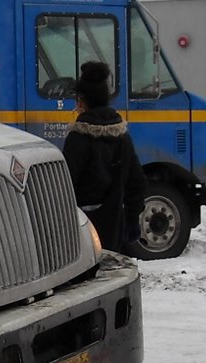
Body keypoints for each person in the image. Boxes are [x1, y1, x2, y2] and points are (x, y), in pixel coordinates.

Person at [62, 59, 147, 254]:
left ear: (82, 101)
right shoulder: (122, 137)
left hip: (83, 228)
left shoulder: (78, 138)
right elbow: (138, 182)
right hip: (114, 226)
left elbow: (66, 185)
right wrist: (132, 219)